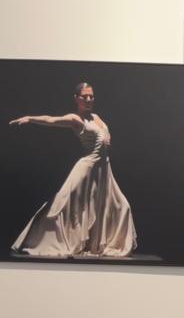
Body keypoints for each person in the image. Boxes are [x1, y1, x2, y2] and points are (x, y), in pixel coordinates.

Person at [9, 83, 137, 258]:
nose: (89, 99)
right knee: (62, 202)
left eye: (91, 96)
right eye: (85, 96)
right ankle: (35, 238)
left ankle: (97, 244)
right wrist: (30, 118)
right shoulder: (75, 119)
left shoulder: (96, 117)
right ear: (76, 98)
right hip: (88, 167)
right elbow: (50, 119)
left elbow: (105, 136)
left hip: (104, 171)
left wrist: (108, 138)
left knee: (122, 206)